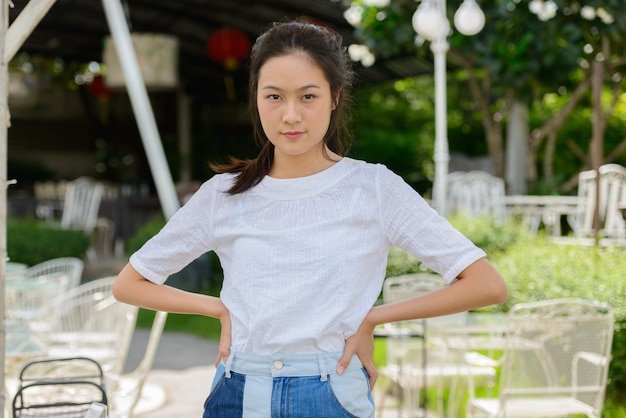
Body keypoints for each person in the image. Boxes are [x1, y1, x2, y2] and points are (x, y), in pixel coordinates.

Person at [112, 20, 507, 418]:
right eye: (274, 97)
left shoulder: (372, 188)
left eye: (308, 96)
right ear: (256, 99)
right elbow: (131, 283)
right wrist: (218, 308)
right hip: (239, 390)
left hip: (331, 392)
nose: (290, 115)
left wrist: (373, 319)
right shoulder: (224, 193)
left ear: (335, 97)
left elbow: (486, 285)